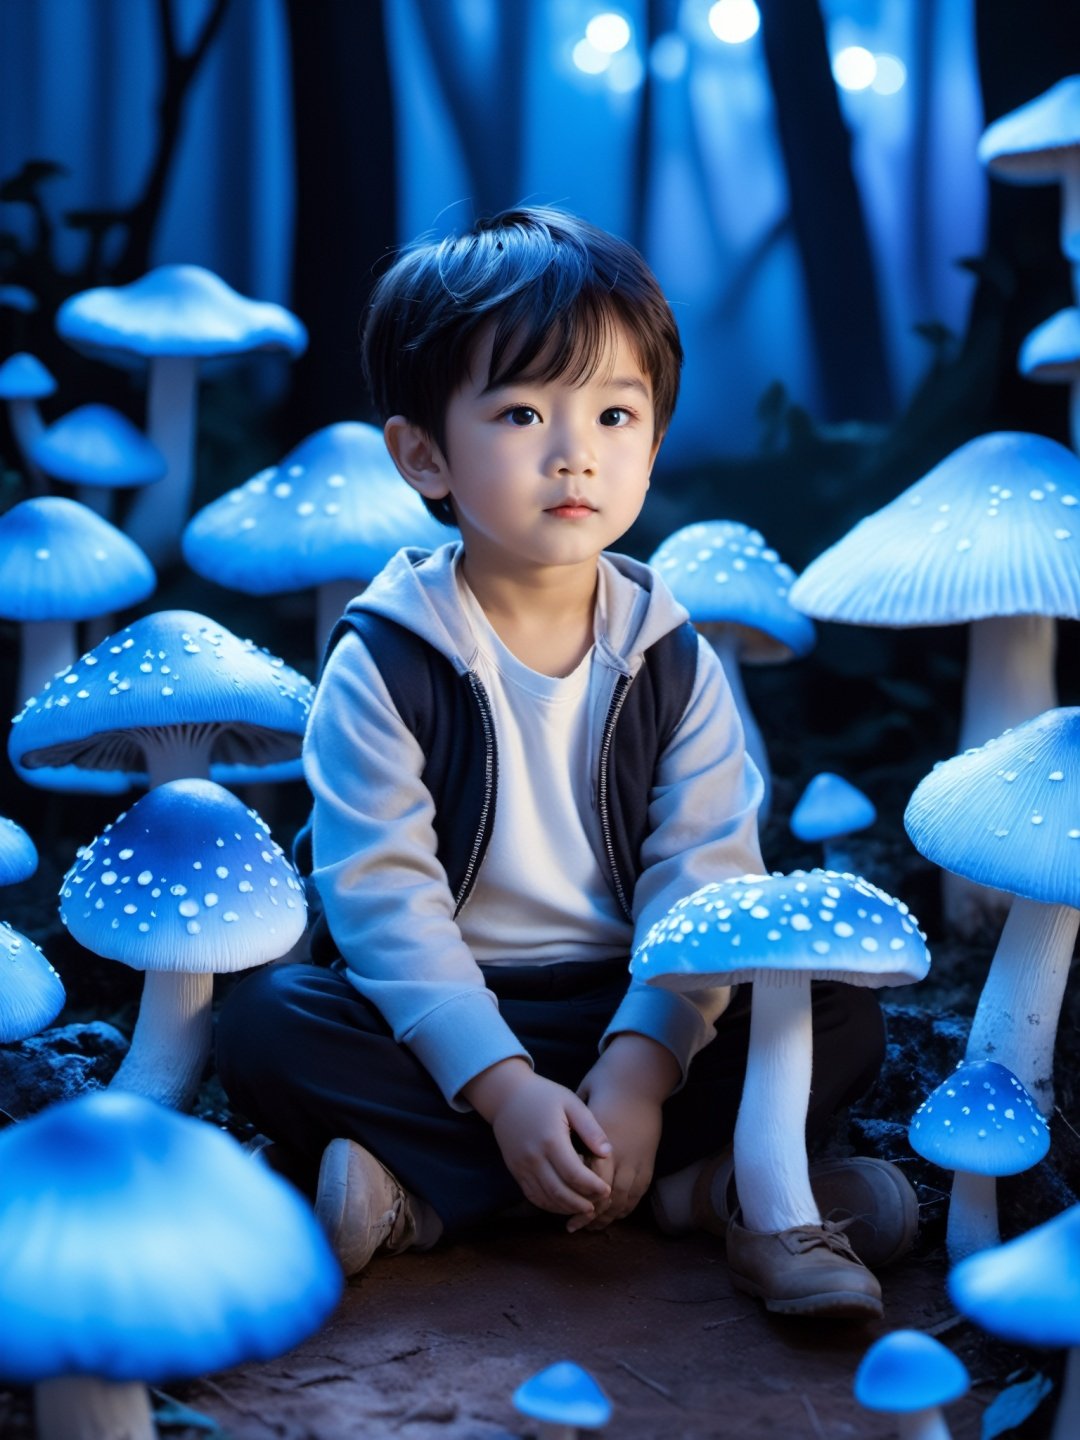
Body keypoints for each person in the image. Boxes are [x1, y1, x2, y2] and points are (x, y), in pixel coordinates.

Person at [216, 206, 916, 1319]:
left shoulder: (673, 657)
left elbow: (706, 874)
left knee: (836, 1013)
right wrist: (502, 1091)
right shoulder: (386, 656)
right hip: (437, 1013)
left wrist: (640, 1071)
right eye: (524, 410)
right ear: (424, 455)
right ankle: (715, 1195)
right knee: (262, 1016)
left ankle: (442, 1197)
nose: (574, 450)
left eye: (616, 411)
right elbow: (381, 900)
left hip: (635, 1004)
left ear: (655, 436)